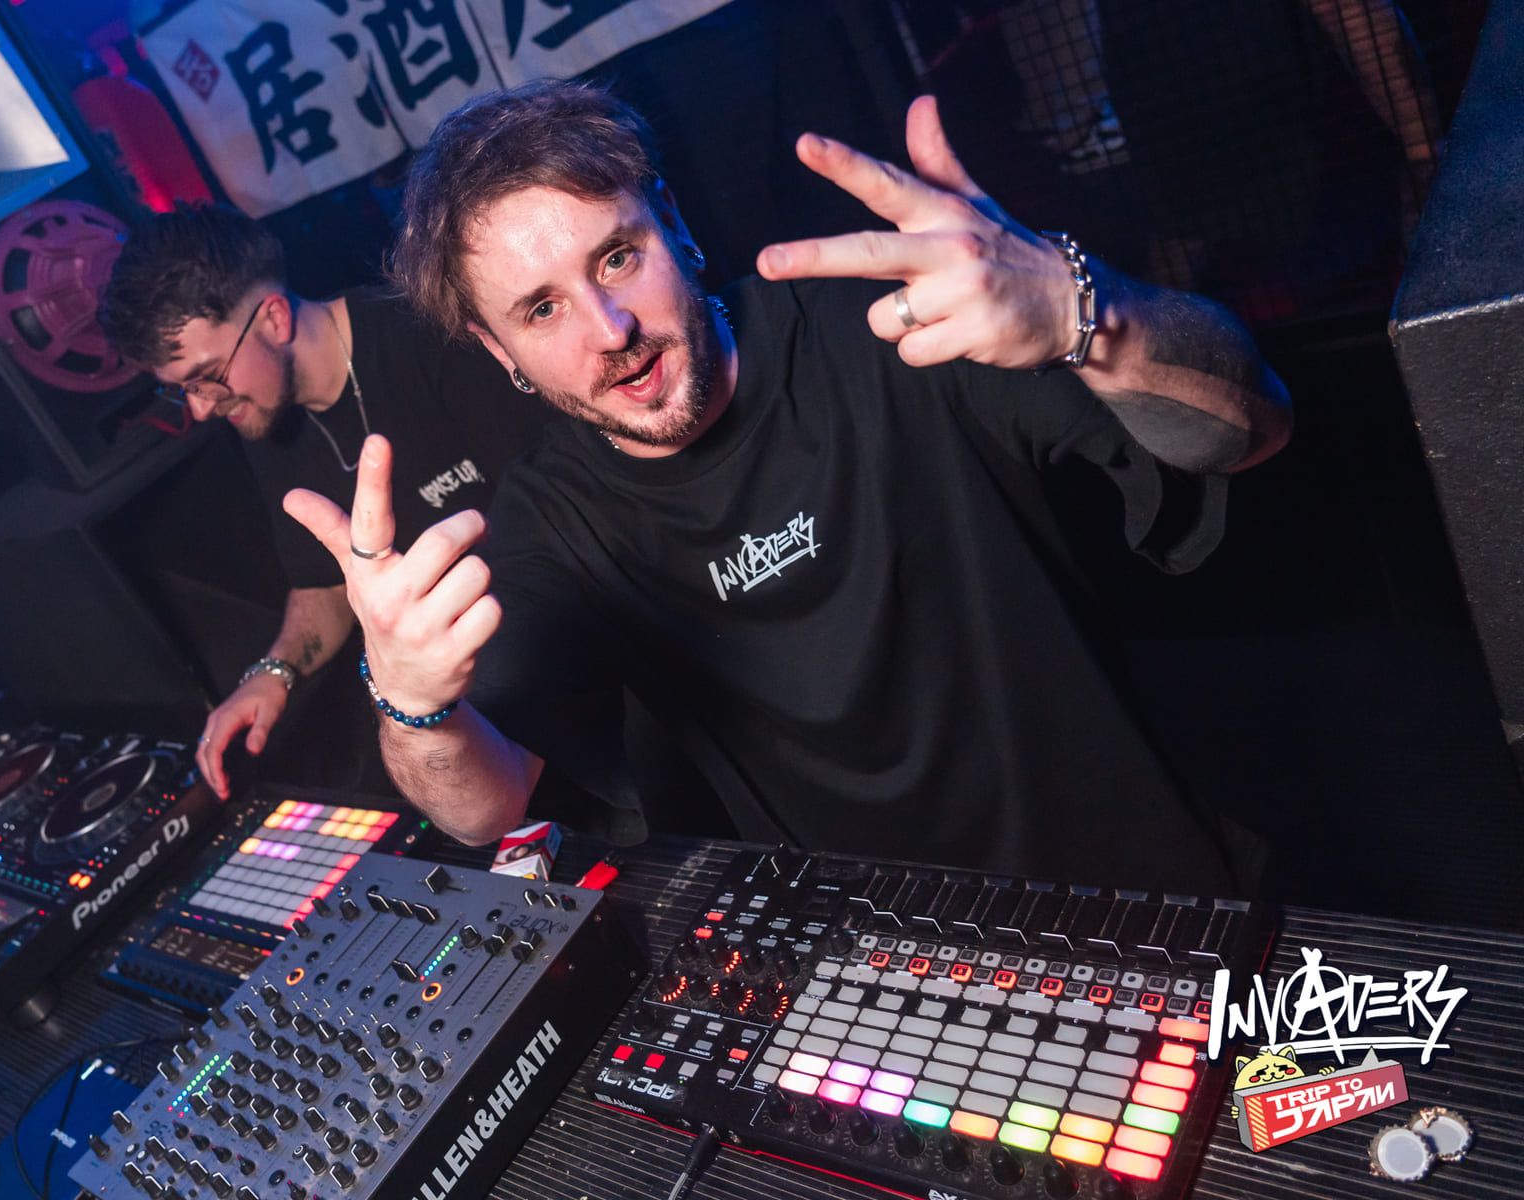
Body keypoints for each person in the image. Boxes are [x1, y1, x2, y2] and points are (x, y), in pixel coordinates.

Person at [282, 82, 1292, 894]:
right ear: (499, 351)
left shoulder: (892, 327)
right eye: (542, 310)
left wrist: (1084, 315)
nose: (610, 329)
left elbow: (1254, 431)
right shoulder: (554, 517)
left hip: (1152, 901)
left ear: (676, 225)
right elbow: (486, 809)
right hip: (885, 974)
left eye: (618, 258)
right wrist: (410, 704)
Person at [98, 205, 550, 798]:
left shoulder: (427, 332)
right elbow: (324, 583)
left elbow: (569, 515)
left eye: (206, 376)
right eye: (183, 389)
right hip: (469, 706)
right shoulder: (264, 415)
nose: (202, 407)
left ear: (274, 318)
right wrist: (273, 672)